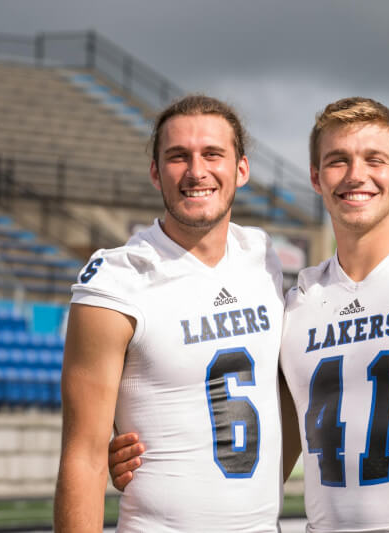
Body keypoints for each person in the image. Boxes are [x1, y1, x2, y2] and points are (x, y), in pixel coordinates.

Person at [110, 97, 389, 532]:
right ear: (315, 176)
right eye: (338, 160)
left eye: (374, 159)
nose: (356, 175)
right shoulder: (297, 302)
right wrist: (144, 461)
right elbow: (259, 434)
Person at [54, 95, 298, 533]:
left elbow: (287, 391)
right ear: (155, 172)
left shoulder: (262, 257)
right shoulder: (117, 279)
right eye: (177, 156)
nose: (196, 171)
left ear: (241, 170)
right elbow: (84, 456)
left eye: (212, 154)